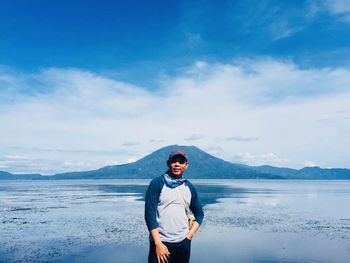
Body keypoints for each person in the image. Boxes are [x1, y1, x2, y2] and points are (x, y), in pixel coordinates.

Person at [145, 150, 204, 263]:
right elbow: (149, 215)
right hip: (160, 243)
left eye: (181, 162)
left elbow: (199, 213)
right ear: (168, 163)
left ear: (186, 165)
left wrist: (189, 237)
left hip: (183, 244)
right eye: (174, 161)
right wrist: (158, 244)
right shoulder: (157, 183)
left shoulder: (188, 187)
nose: (177, 164)